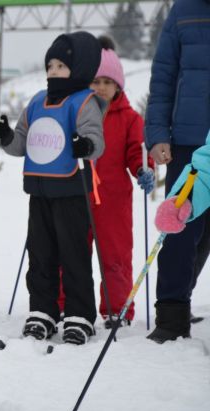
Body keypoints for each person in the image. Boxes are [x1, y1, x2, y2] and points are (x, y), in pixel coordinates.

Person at [0, 31, 105, 345]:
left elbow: (96, 141)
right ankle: (43, 311)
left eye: (61, 66)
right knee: (40, 255)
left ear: (79, 68)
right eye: (50, 65)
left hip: (70, 192)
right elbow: (22, 143)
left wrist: (86, 145)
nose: (53, 71)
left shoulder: (84, 102)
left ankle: (79, 316)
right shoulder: (37, 102)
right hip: (39, 193)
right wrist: (5, 136)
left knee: (73, 254)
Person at [58, 36, 155, 328]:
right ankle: (65, 305)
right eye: (95, 81)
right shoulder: (75, 111)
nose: (100, 87)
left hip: (113, 201)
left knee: (115, 256)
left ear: (118, 87)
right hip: (76, 194)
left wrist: (142, 169)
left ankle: (117, 309)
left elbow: (135, 152)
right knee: (71, 253)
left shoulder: (129, 118)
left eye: (107, 82)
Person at [145, 0, 210, 343]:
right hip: (188, 140)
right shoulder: (184, 9)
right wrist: (157, 134)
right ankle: (171, 317)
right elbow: (164, 74)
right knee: (180, 229)